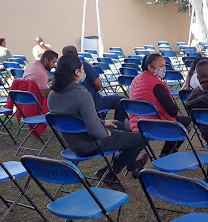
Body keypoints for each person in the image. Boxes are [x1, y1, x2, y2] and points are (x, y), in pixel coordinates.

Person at [48, 54, 147, 184]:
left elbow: (76, 121)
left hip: (72, 143)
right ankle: (110, 172)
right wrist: (105, 132)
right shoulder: (82, 95)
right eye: (83, 69)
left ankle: (132, 165)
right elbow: (95, 131)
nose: (84, 72)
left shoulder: (52, 95)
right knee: (143, 136)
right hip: (91, 143)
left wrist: (103, 122)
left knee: (121, 126)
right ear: (77, 72)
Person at [128, 53, 192, 157]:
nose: (164, 69)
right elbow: (173, 111)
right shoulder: (157, 85)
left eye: (165, 65)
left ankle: (167, 152)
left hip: (137, 122)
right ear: (150, 67)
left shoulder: (136, 79)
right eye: (161, 66)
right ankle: (167, 152)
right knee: (187, 122)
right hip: (154, 124)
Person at [62, 46, 127, 123]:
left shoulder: (60, 71)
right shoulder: (83, 66)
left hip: (70, 106)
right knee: (123, 101)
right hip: (91, 103)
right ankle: (118, 125)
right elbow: (99, 84)